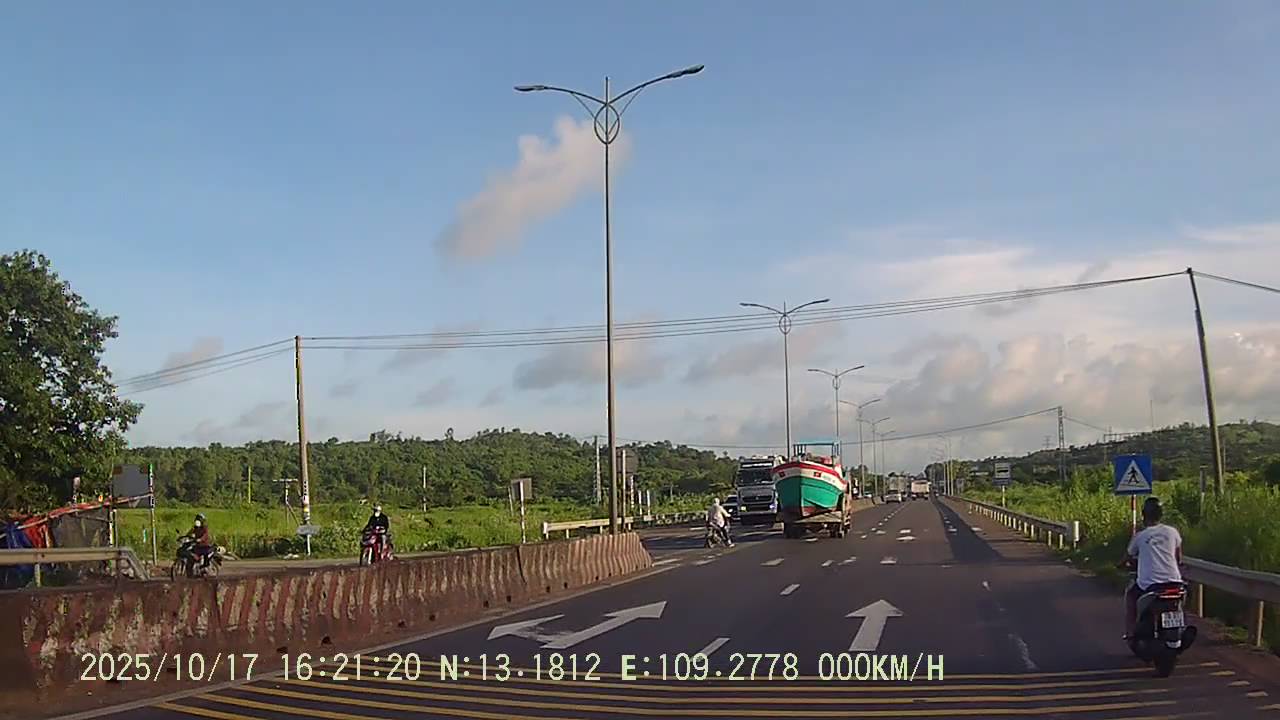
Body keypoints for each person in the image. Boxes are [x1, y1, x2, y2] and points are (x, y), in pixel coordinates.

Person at [1118, 496, 1183, 638]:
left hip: (1150, 585)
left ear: (1144, 515)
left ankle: (1130, 632)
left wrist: (1120, 566)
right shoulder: (1172, 532)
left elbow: (1126, 557)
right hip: (1175, 582)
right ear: (1161, 514)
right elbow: (1178, 558)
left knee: (1131, 596)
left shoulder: (1140, 536)